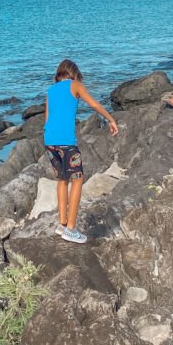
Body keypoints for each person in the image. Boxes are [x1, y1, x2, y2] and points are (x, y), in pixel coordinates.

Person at [44, 59, 118, 244]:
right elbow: (93, 104)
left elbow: (47, 118)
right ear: (74, 73)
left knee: (62, 179)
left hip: (50, 140)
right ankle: (70, 228)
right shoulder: (75, 85)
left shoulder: (51, 90)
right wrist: (110, 119)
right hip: (65, 141)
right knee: (77, 179)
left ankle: (61, 224)